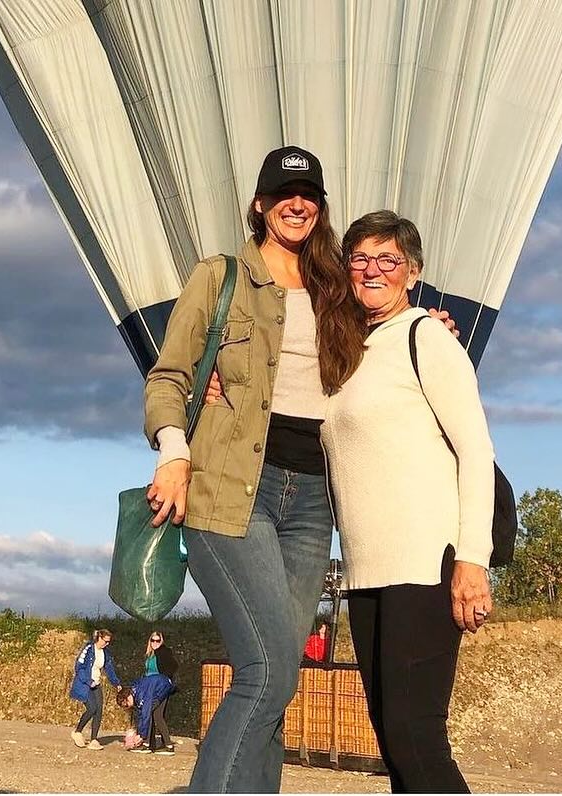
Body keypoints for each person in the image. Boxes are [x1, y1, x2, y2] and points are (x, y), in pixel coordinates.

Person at [144, 145, 367, 793]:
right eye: (284, 193)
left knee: (278, 679)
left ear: (319, 209)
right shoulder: (219, 278)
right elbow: (168, 375)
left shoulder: (336, 294)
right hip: (232, 490)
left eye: (309, 195)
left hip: (312, 505)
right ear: (260, 204)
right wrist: (173, 452)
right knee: (266, 670)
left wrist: (428, 327)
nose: (297, 204)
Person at [320, 210, 495, 793]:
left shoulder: (427, 338)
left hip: (424, 564)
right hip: (366, 574)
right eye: (360, 259)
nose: (373, 270)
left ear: (412, 272)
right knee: (393, 741)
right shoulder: (346, 352)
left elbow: (475, 448)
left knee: (416, 735)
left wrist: (473, 559)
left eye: (387, 260)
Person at [69, 629, 122, 751]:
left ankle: (93, 739)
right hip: (84, 684)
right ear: (99, 638)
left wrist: (116, 683)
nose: (107, 644)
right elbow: (79, 667)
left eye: (109, 642)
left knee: (99, 710)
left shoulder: (105, 653)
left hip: (96, 684)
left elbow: (109, 669)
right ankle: (77, 731)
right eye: (105, 641)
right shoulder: (88, 649)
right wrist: (88, 681)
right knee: (92, 708)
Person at [139, 631, 179, 755]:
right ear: (149, 641)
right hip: (149, 688)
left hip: (160, 687)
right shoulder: (149, 655)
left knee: (153, 713)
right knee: (154, 714)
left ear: (161, 641)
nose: (155, 643)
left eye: (157, 640)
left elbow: (173, 666)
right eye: (153, 640)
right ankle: (153, 743)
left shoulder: (164, 652)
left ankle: (161, 744)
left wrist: (165, 680)